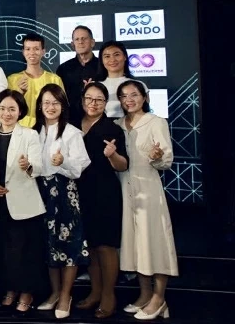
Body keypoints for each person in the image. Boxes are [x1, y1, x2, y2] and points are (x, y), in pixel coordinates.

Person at [116, 80, 178, 321]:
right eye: (124, 96)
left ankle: (159, 299)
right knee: (136, 245)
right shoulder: (118, 125)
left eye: (134, 95)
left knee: (155, 241)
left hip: (149, 189)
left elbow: (166, 161)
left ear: (144, 97)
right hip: (124, 190)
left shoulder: (156, 122)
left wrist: (157, 156)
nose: (129, 100)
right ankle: (144, 295)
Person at [33, 84, 91, 320]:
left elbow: (80, 166)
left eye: (55, 103)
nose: (50, 107)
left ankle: (66, 295)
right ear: (39, 106)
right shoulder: (34, 131)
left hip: (65, 192)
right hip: (40, 192)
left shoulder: (72, 132)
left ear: (63, 106)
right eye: (46, 102)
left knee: (69, 245)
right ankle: (55, 292)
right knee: (48, 244)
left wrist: (63, 161)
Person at [0, 89, 45, 316]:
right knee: (4, 252)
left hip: (24, 204)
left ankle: (27, 293)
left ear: (20, 111)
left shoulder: (29, 135)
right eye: (2, 108)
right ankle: (10, 291)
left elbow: (38, 167)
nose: (7, 113)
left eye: (12, 109)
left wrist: (27, 165)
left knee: (25, 252)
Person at [76, 82, 128, 319]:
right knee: (91, 246)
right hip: (79, 193)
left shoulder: (112, 128)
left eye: (99, 99)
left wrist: (112, 155)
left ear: (106, 103)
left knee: (106, 246)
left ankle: (109, 295)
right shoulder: (73, 124)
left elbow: (123, 165)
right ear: (82, 100)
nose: (93, 103)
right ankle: (95, 292)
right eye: (89, 98)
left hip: (105, 193)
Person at [7, 33, 64, 127]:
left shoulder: (54, 79)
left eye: (36, 49)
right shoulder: (13, 79)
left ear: (43, 52)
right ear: (23, 52)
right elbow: (8, 109)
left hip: (48, 129)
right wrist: (20, 93)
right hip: (21, 129)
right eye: (28, 49)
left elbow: (62, 107)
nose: (32, 53)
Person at [56, 26, 99, 125]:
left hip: (98, 120)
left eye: (84, 38)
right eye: (77, 39)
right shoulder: (63, 69)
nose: (80, 42)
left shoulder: (103, 66)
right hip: (70, 122)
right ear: (72, 44)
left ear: (92, 42)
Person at [96, 41, 133, 119]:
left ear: (125, 57)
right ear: (102, 60)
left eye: (116, 55)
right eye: (107, 56)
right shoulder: (96, 86)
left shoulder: (137, 85)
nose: (112, 60)